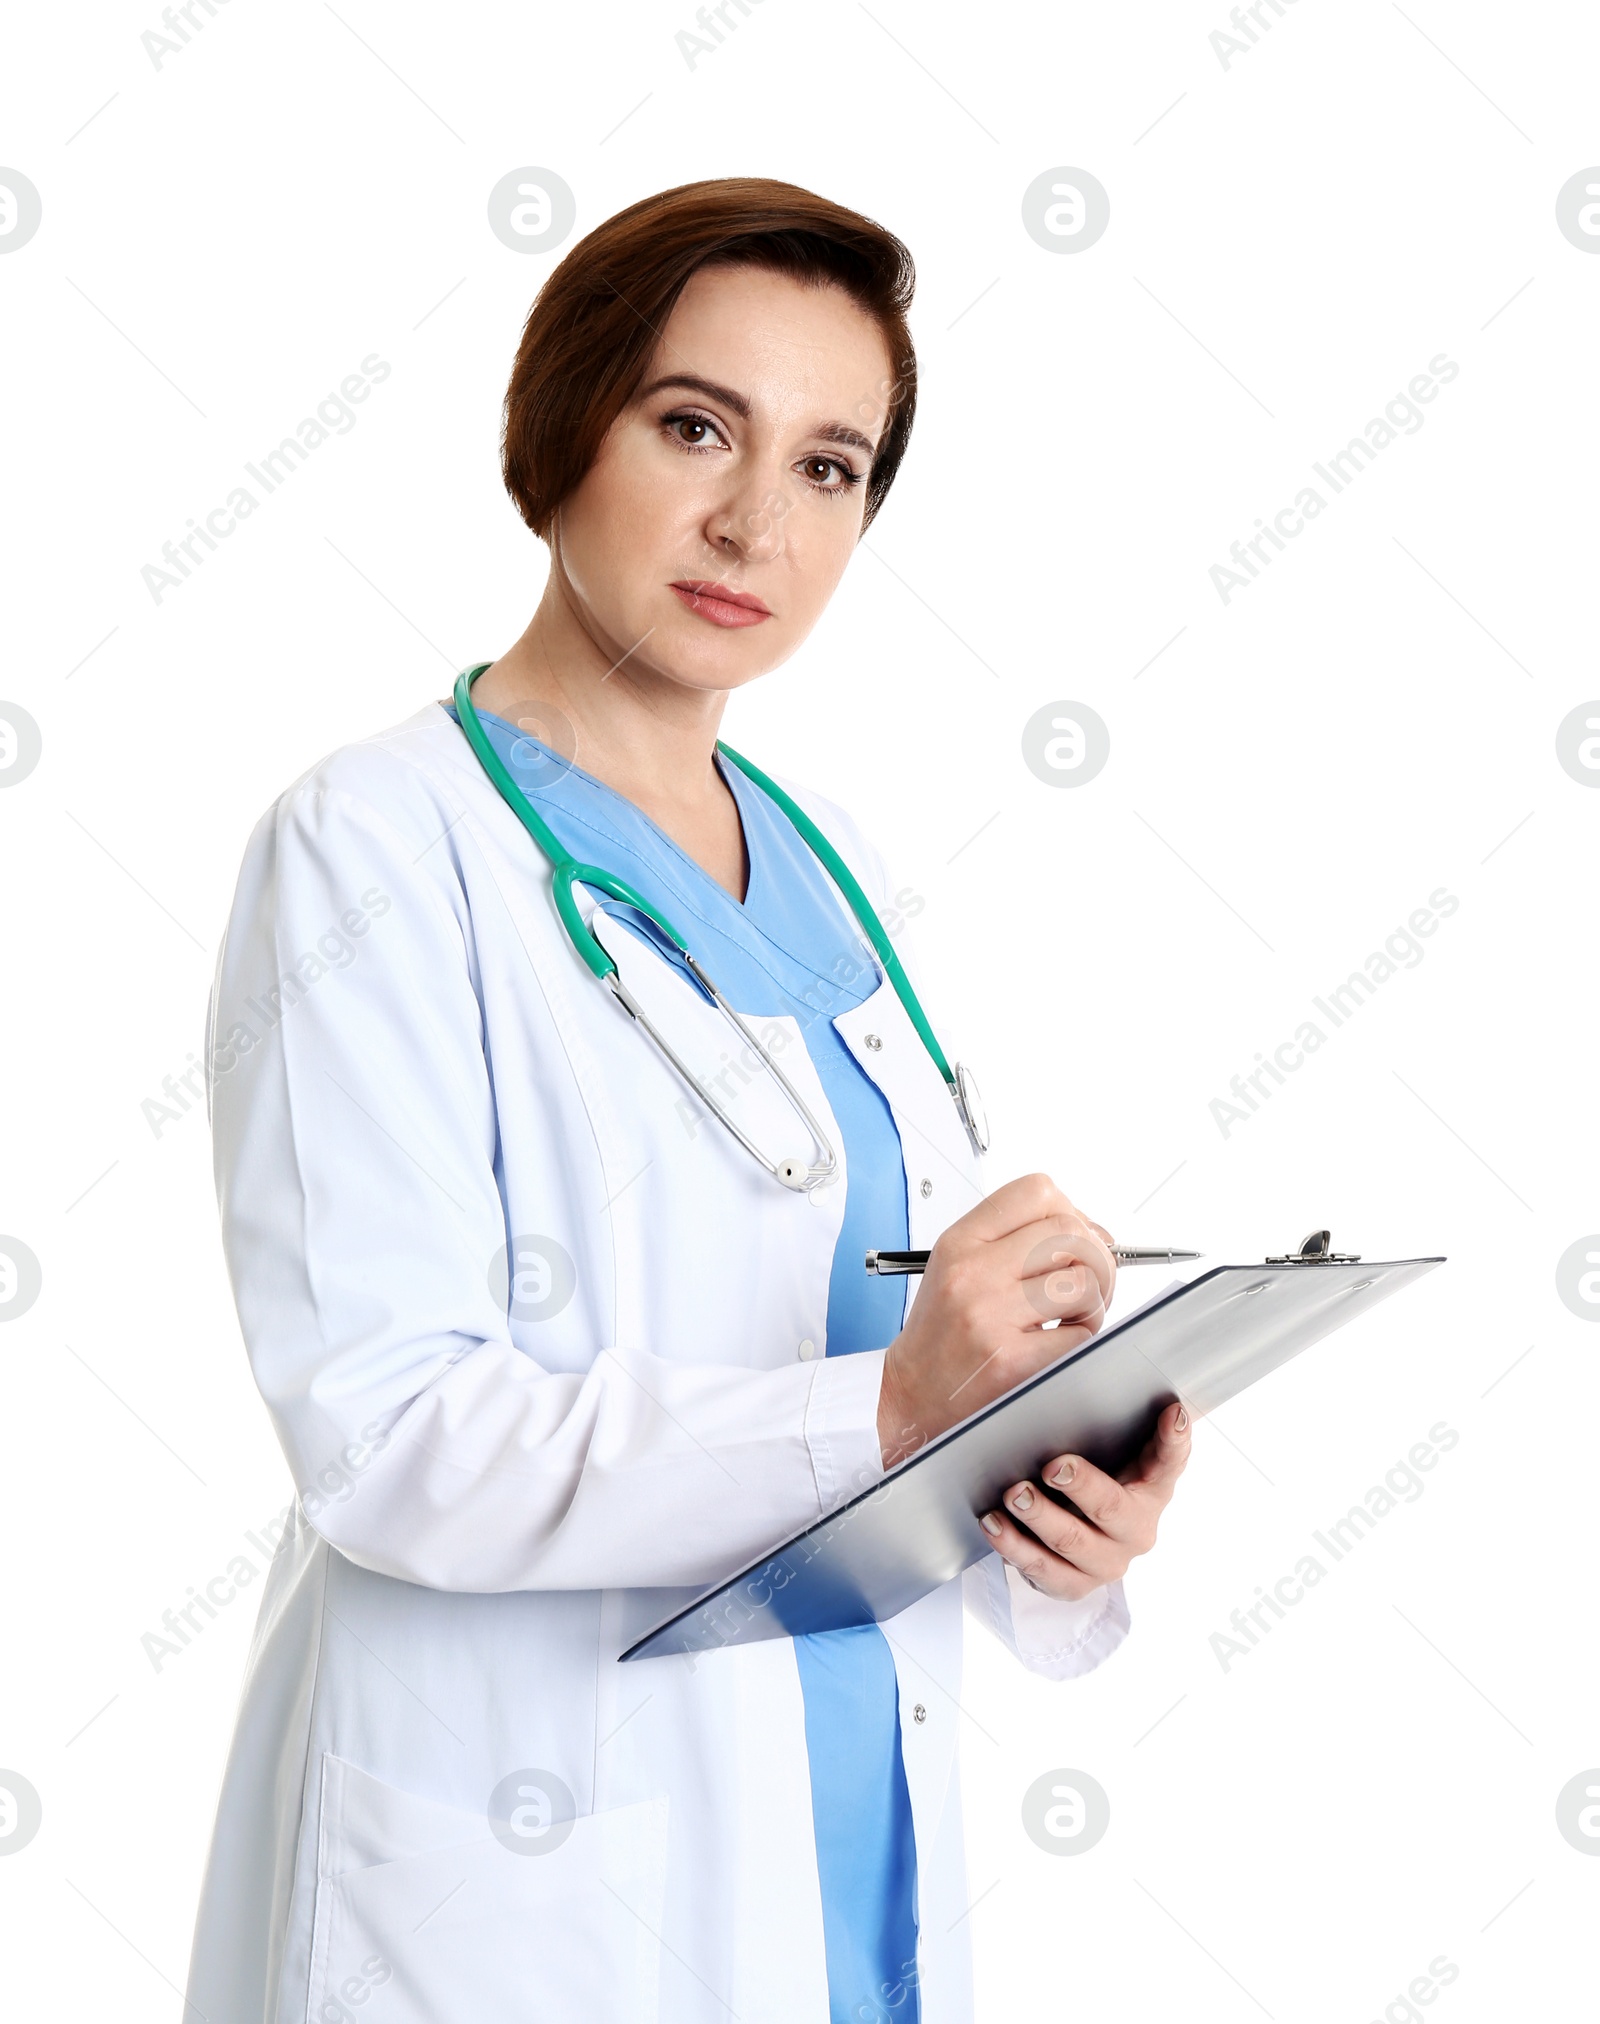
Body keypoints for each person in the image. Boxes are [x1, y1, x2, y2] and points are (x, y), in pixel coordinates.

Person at [186, 176, 1192, 2024]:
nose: (755, 520)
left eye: (831, 467)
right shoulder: (377, 848)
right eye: (695, 425)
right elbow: (388, 1439)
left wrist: (1044, 1502)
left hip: (833, 1825)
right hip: (524, 1864)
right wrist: (886, 1414)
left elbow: (893, 1382)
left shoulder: (832, 861)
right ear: (564, 424)